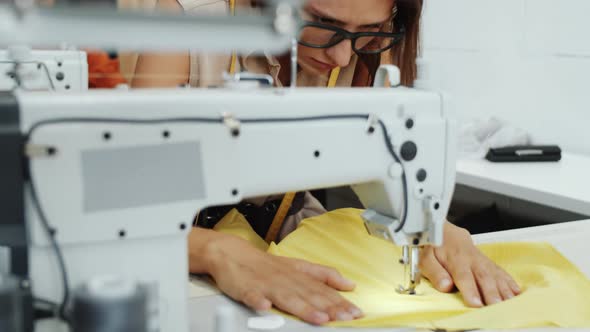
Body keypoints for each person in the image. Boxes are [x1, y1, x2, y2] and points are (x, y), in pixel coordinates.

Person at [132, 0, 521, 325]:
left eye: (367, 30)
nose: (341, 56)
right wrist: (217, 251)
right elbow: (127, 209)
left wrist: (433, 225)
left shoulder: (365, 43)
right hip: (169, 254)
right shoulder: (188, 21)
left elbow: (382, 160)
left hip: (280, 239)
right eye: (322, 22)